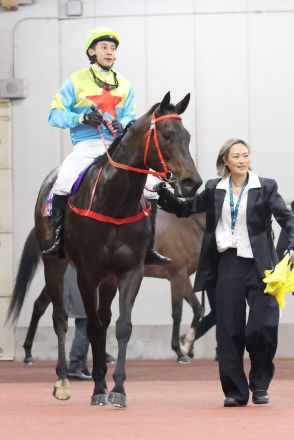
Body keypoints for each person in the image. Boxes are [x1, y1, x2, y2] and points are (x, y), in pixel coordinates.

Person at [155, 138, 294, 407]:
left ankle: (260, 382)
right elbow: (186, 208)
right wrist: (165, 197)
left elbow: (287, 220)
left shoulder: (265, 187)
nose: (242, 160)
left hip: (261, 265)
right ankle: (235, 392)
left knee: (262, 326)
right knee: (229, 331)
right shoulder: (215, 188)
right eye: (236, 156)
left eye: (245, 155)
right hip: (227, 264)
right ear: (225, 162)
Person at [42, 26, 170, 265]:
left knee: (152, 184)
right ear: (91, 51)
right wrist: (80, 118)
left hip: (118, 147)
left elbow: (130, 115)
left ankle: (148, 247)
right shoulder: (75, 81)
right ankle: (59, 241)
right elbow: (53, 114)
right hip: (87, 145)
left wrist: (123, 125)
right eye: (104, 47)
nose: (110, 52)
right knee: (63, 181)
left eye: (113, 48)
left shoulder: (124, 84)